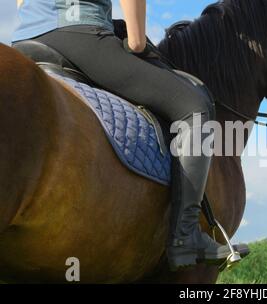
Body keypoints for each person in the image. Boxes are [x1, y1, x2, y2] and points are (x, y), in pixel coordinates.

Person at [12, 0, 246, 270]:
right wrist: (136, 41)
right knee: (194, 107)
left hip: (25, 38)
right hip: (80, 36)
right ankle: (186, 236)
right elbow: (135, 43)